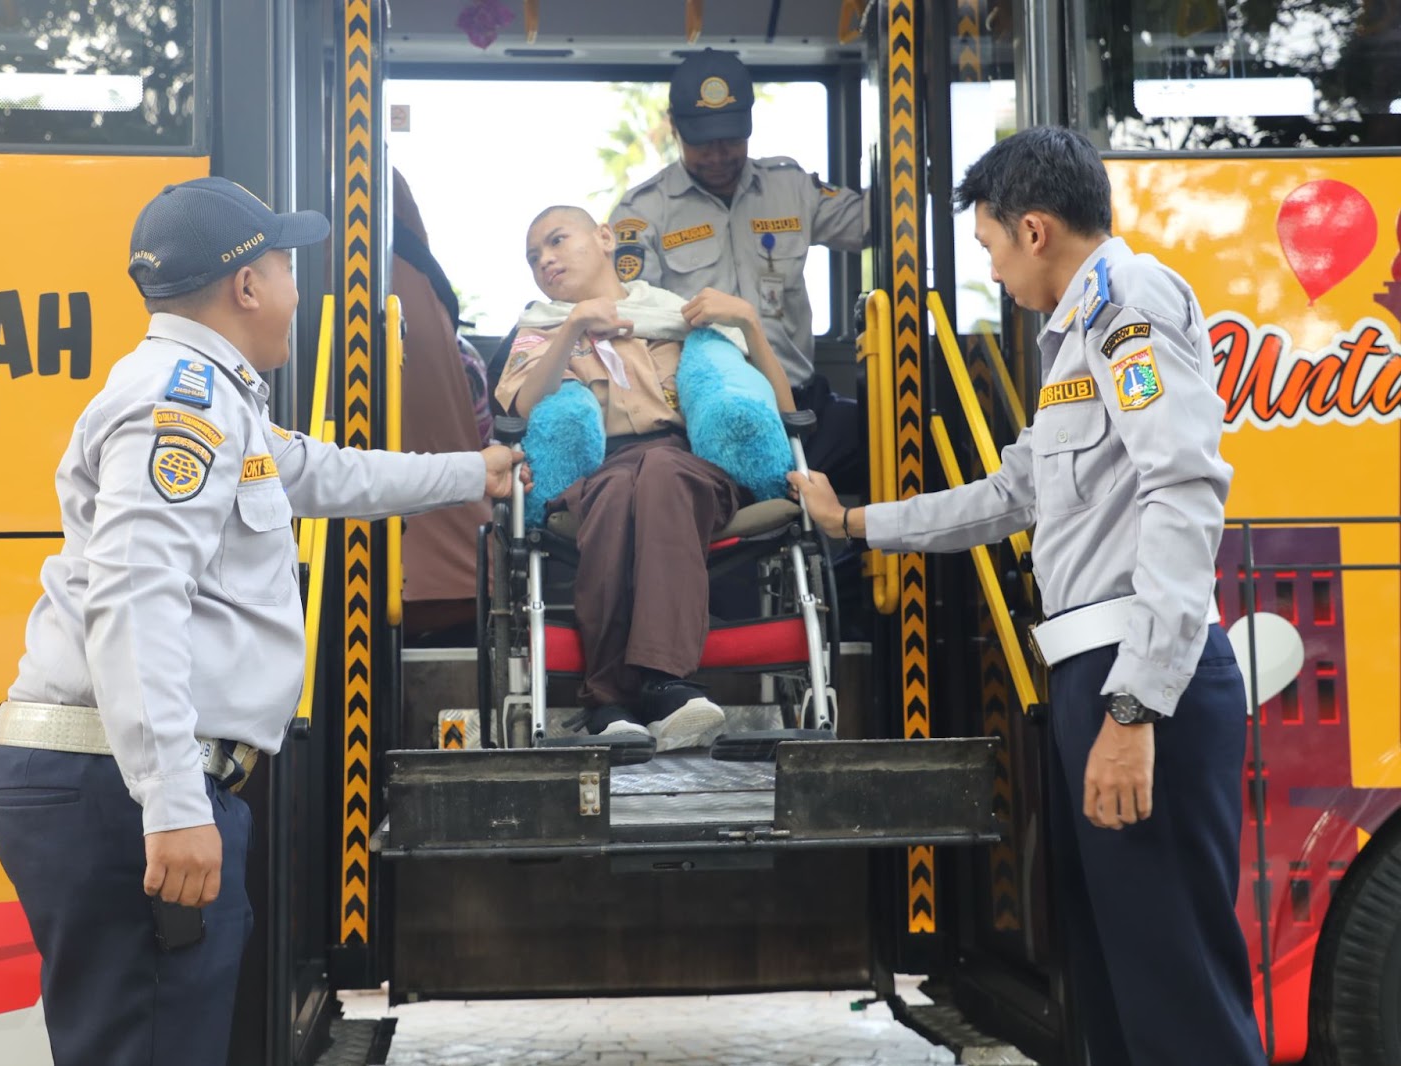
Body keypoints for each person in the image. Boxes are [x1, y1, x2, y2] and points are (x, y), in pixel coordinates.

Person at [0, 176, 522, 1066]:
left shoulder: (211, 394)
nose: (296, 287)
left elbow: (329, 475)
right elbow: (135, 598)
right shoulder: (181, 406)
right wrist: (172, 802)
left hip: (118, 780)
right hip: (121, 788)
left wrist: (475, 471)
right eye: (285, 264)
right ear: (246, 287)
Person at [790, 127, 1262, 1066]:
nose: (995, 270)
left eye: (992, 247)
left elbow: (1183, 490)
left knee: (1176, 991)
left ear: (1035, 230)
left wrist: (1134, 708)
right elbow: (1012, 495)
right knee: (1118, 984)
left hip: (1139, 681)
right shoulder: (1077, 337)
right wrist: (854, 526)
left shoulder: (1128, 309)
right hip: (1097, 674)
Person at [498, 204, 793, 748]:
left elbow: (777, 408)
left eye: (557, 241)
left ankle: (654, 684)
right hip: (601, 467)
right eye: (534, 256)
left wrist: (749, 321)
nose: (546, 260)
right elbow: (521, 410)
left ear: (606, 238)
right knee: (615, 492)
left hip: (690, 463)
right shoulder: (540, 329)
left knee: (657, 470)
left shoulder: (679, 315)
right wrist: (575, 327)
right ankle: (622, 701)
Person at [609, 47, 869, 486]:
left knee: (906, 441)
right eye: (701, 142)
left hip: (796, 402)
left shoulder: (791, 189)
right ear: (674, 127)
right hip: (703, 411)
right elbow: (629, 319)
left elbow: (875, 223)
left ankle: (856, 554)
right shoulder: (642, 213)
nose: (717, 156)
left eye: (730, 139)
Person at [391, 170, 494, 639]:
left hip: (359, 578)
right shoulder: (464, 355)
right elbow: (485, 438)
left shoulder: (313, 304)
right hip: (466, 581)